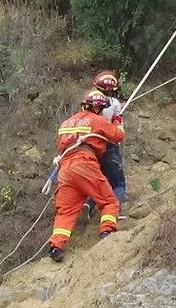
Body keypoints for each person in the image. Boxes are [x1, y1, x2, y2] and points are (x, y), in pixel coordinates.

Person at [48, 90, 125, 262]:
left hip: (66, 170)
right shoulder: (97, 120)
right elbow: (118, 135)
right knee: (109, 200)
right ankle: (107, 230)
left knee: (66, 211)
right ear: (98, 108)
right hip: (85, 164)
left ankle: (56, 246)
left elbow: (61, 146)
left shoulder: (66, 123)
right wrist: (117, 121)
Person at [83, 70, 128, 220]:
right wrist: (117, 119)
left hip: (90, 147)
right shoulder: (114, 103)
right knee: (118, 182)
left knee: (98, 178)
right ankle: (114, 211)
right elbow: (117, 127)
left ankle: (89, 203)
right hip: (109, 145)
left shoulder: (88, 101)